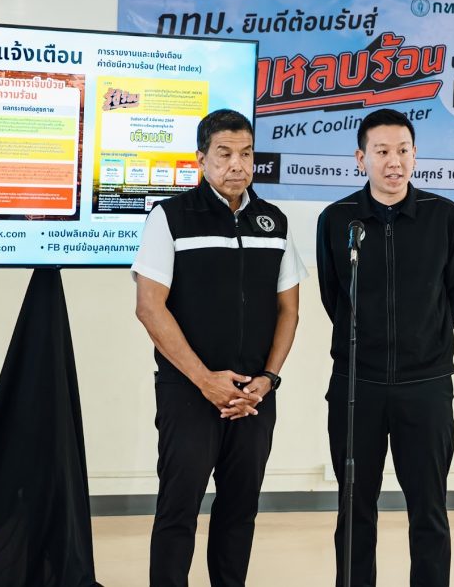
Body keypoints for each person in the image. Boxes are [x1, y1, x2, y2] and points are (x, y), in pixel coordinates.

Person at [132, 109, 307, 587]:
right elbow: (149, 307)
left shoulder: (274, 221)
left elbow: (289, 310)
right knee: (178, 510)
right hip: (188, 393)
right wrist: (205, 380)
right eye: (225, 153)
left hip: (253, 397)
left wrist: (268, 379)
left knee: (239, 511)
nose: (237, 164)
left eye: (246, 154)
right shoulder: (171, 217)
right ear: (201, 159)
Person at [316, 108, 454, 587]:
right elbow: (332, 295)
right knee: (355, 507)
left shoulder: (444, 216)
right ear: (361, 158)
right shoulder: (337, 220)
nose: (393, 161)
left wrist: (422, 343)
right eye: (381, 151)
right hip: (356, 385)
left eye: (403, 150)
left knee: (429, 508)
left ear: (415, 155)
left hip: (425, 386)